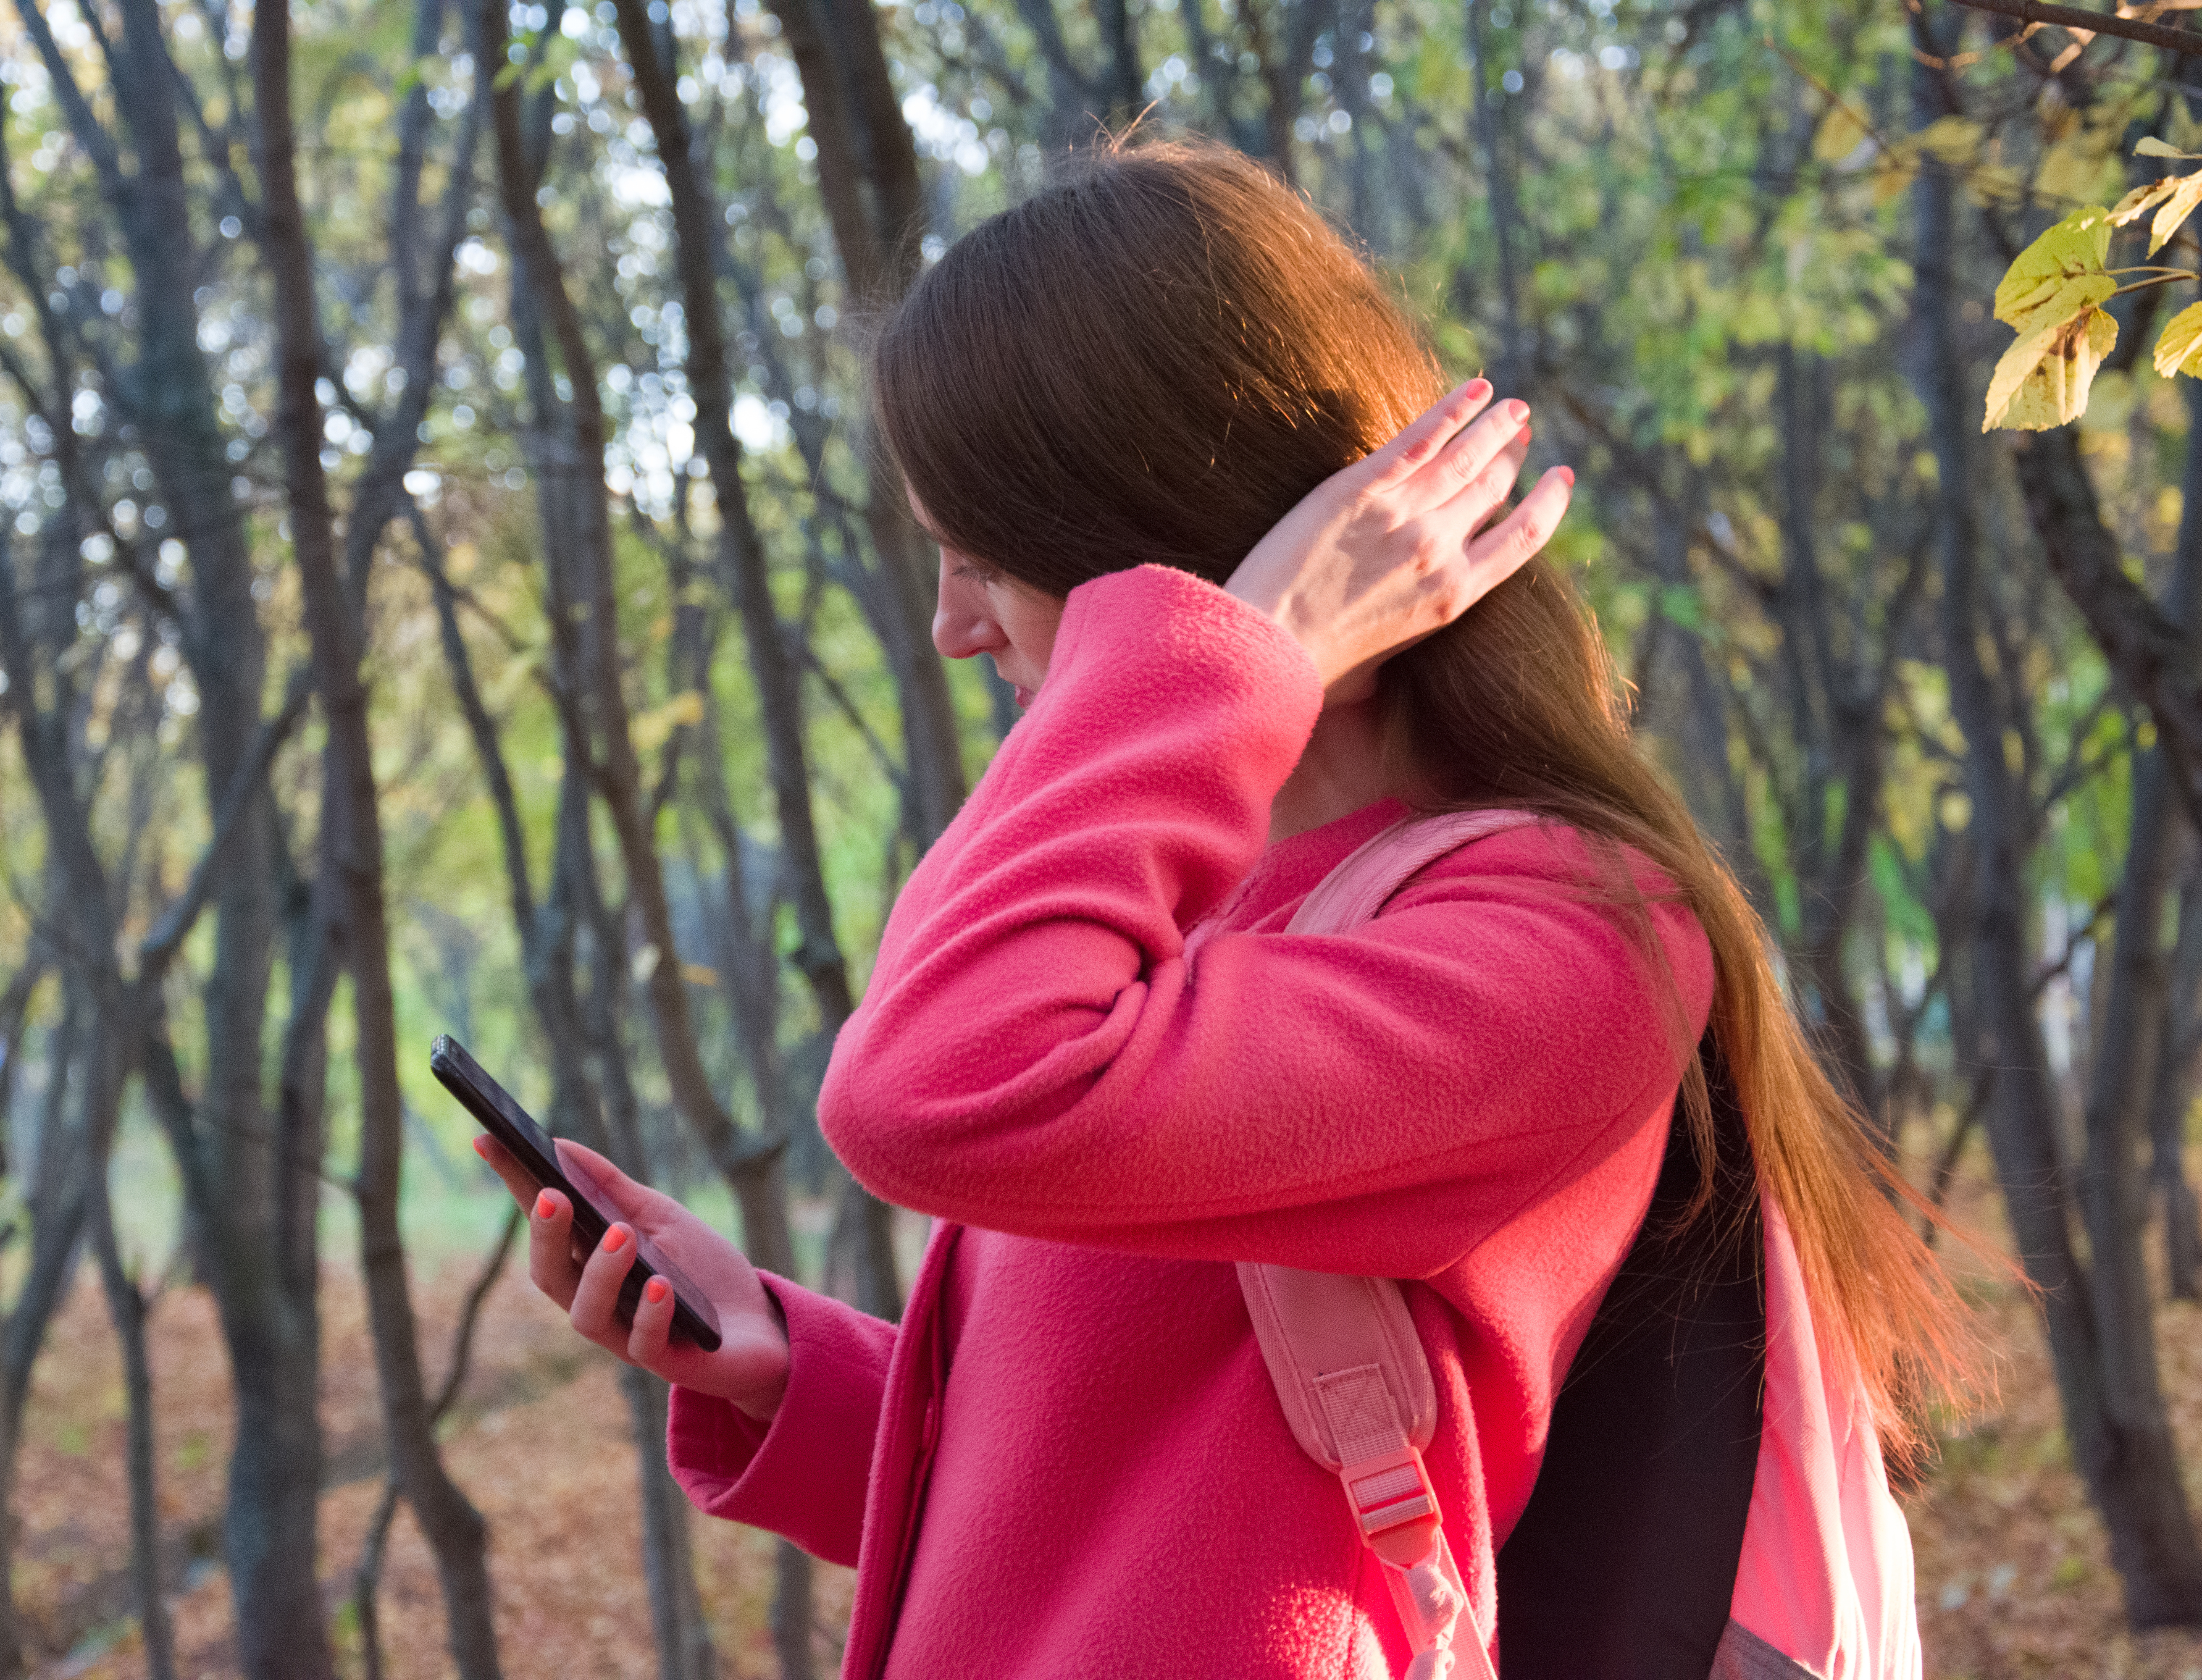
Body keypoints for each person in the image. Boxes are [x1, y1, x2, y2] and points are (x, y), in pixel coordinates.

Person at [474, 140, 1970, 1678]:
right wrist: (804, 1377)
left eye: (981, 557)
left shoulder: (1573, 938)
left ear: (1164, 543)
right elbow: (1154, 1502)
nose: (949, 627)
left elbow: (924, 1094)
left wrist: (1234, 648)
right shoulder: (1179, 918)